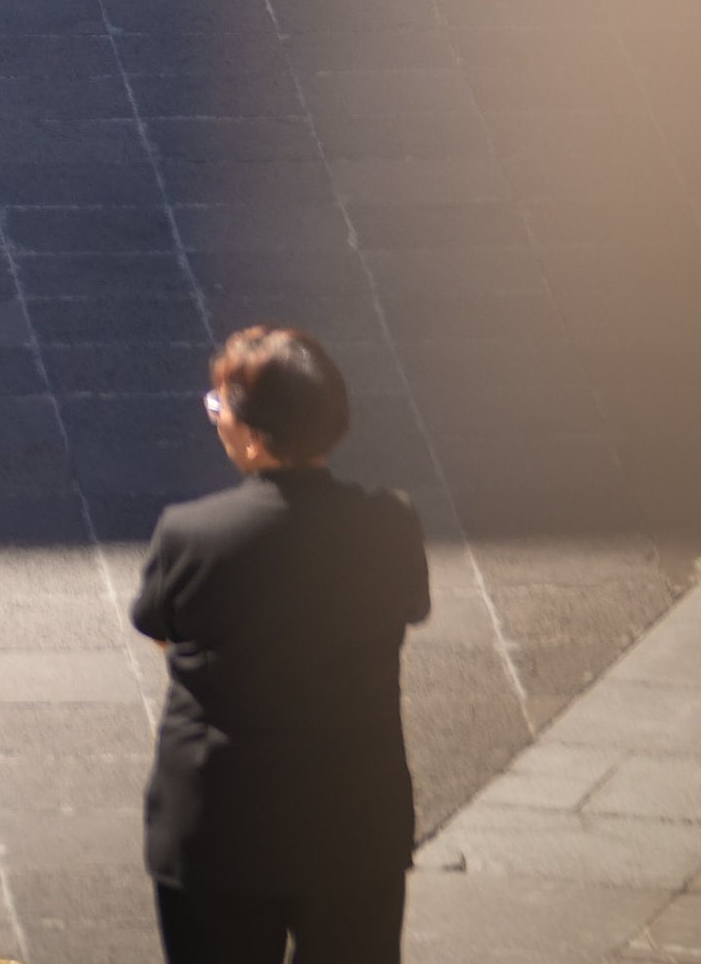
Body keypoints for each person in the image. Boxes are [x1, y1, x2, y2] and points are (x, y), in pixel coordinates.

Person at [129, 327, 430, 964]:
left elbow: (159, 625)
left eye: (219, 408)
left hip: (220, 824)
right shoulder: (390, 523)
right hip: (352, 819)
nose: (216, 422)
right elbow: (410, 608)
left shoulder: (192, 534)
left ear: (254, 434)